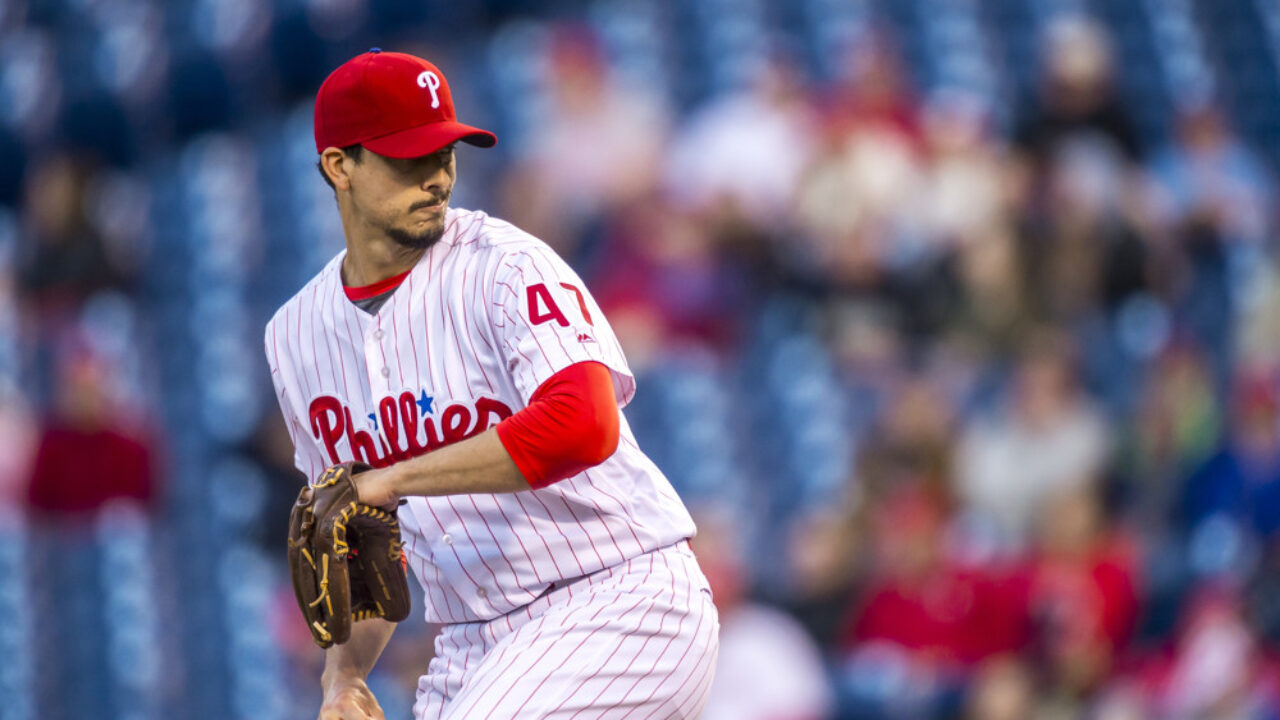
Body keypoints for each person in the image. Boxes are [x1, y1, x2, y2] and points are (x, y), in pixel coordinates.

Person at [264, 49, 719, 720]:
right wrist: (343, 678)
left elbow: (583, 424)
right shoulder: (296, 339)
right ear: (339, 166)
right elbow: (361, 543)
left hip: (616, 597)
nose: (436, 177)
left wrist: (391, 479)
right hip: (473, 642)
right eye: (406, 158)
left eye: (444, 152)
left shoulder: (507, 266)